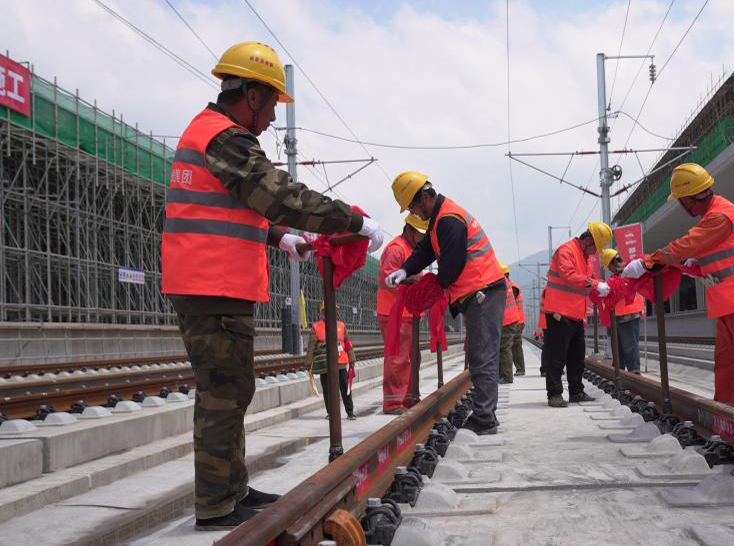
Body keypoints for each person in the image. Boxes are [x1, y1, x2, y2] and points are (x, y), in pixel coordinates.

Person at [161, 42, 386, 529]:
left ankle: (231, 489)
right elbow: (278, 193)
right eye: (272, 107)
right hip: (212, 285)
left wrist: (281, 238)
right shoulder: (227, 139)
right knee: (223, 391)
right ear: (255, 95)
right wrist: (350, 220)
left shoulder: (207, 134)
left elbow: (229, 207)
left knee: (232, 388)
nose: (271, 121)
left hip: (210, 283)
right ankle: (217, 503)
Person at [624, 163, 734, 424]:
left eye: (680, 200)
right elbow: (723, 256)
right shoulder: (717, 212)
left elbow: (685, 245)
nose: (680, 205)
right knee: (727, 368)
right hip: (731, 302)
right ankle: (728, 422)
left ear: (690, 199)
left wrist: (646, 262)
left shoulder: (718, 217)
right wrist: (699, 267)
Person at [385, 171, 505, 435]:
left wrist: (434, 286)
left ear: (426, 197)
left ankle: (485, 418)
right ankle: (486, 413)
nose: (414, 213)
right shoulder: (440, 218)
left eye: (414, 207)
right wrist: (405, 269)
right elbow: (427, 248)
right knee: (478, 354)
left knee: (483, 355)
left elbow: (452, 264)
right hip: (478, 292)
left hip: (483, 291)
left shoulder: (448, 220)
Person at [542, 223, 613, 407]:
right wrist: (596, 285)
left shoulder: (585, 256)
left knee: (576, 356)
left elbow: (588, 280)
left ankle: (576, 391)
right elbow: (569, 276)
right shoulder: (566, 251)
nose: (596, 252)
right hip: (559, 312)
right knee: (557, 356)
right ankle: (555, 394)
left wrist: (600, 286)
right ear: (588, 240)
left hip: (575, 313)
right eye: (596, 247)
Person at [377, 214, 428, 414]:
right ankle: (392, 403)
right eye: (421, 234)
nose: (423, 238)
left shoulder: (411, 249)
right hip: (395, 312)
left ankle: (408, 398)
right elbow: (389, 280)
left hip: (408, 312)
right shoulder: (396, 249)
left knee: (412, 357)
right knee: (398, 358)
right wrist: (414, 282)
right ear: (409, 229)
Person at [307, 304, 356, 420]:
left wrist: (352, 359)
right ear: (323, 312)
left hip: (341, 363)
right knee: (327, 390)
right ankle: (331, 413)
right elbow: (311, 347)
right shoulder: (316, 327)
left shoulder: (341, 326)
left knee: (345, 388)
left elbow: (347, 344)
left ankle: (350, 412)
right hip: (325, 365)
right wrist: (308, 362)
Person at [601, 249, 644, 373]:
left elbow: (620, 289)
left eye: (609, 266)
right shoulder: (619, 273)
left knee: (630, 347)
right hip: (620, 315)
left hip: (629, 313)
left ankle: (634, 374)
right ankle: (619, 375)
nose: (608, 269)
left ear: (613, 262)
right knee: (618, 349)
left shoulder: (628, 270)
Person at [498, 263, 526, 383]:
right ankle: (508, 373)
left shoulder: (507, 285)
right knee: (510, 346)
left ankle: (508, 375)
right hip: (514, 319)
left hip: (512, 320)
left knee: (508, 347)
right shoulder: (509, 284)